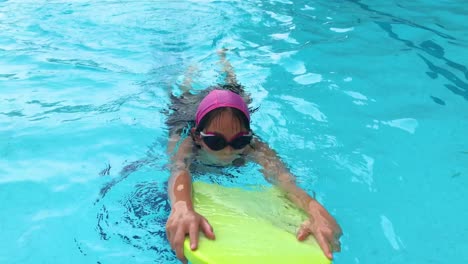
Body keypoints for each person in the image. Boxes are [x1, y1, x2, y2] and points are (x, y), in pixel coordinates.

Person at [165, 50, 342, 263]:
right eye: (216, 142)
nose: (228, 151)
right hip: (188, 111)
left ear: (247, 136)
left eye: (239, 141)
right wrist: (182, 207)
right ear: (198, 136)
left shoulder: (253, 146)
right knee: (183, 95)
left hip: (228, 112)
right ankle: (191, 71)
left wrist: (316, 211)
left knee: (235, 87)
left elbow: (283, 178)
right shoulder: (187, 142)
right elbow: (179, 168)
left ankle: (225, 62)